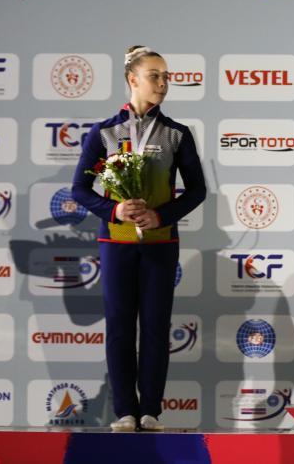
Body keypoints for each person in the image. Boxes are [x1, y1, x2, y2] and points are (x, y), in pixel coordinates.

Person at [71, 45, 206, 431]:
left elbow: (197, 190)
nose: (163, 83)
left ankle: (150, 410)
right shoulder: (104, 132)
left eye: (166, 77)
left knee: (156, 327)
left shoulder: (177, 134)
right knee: (119, 326)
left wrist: (161, 215)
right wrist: (114, 210)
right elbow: (79, 189)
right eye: (154, 76)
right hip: (116, 244)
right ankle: (124, 412)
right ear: (133, 79)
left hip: (160, 244)